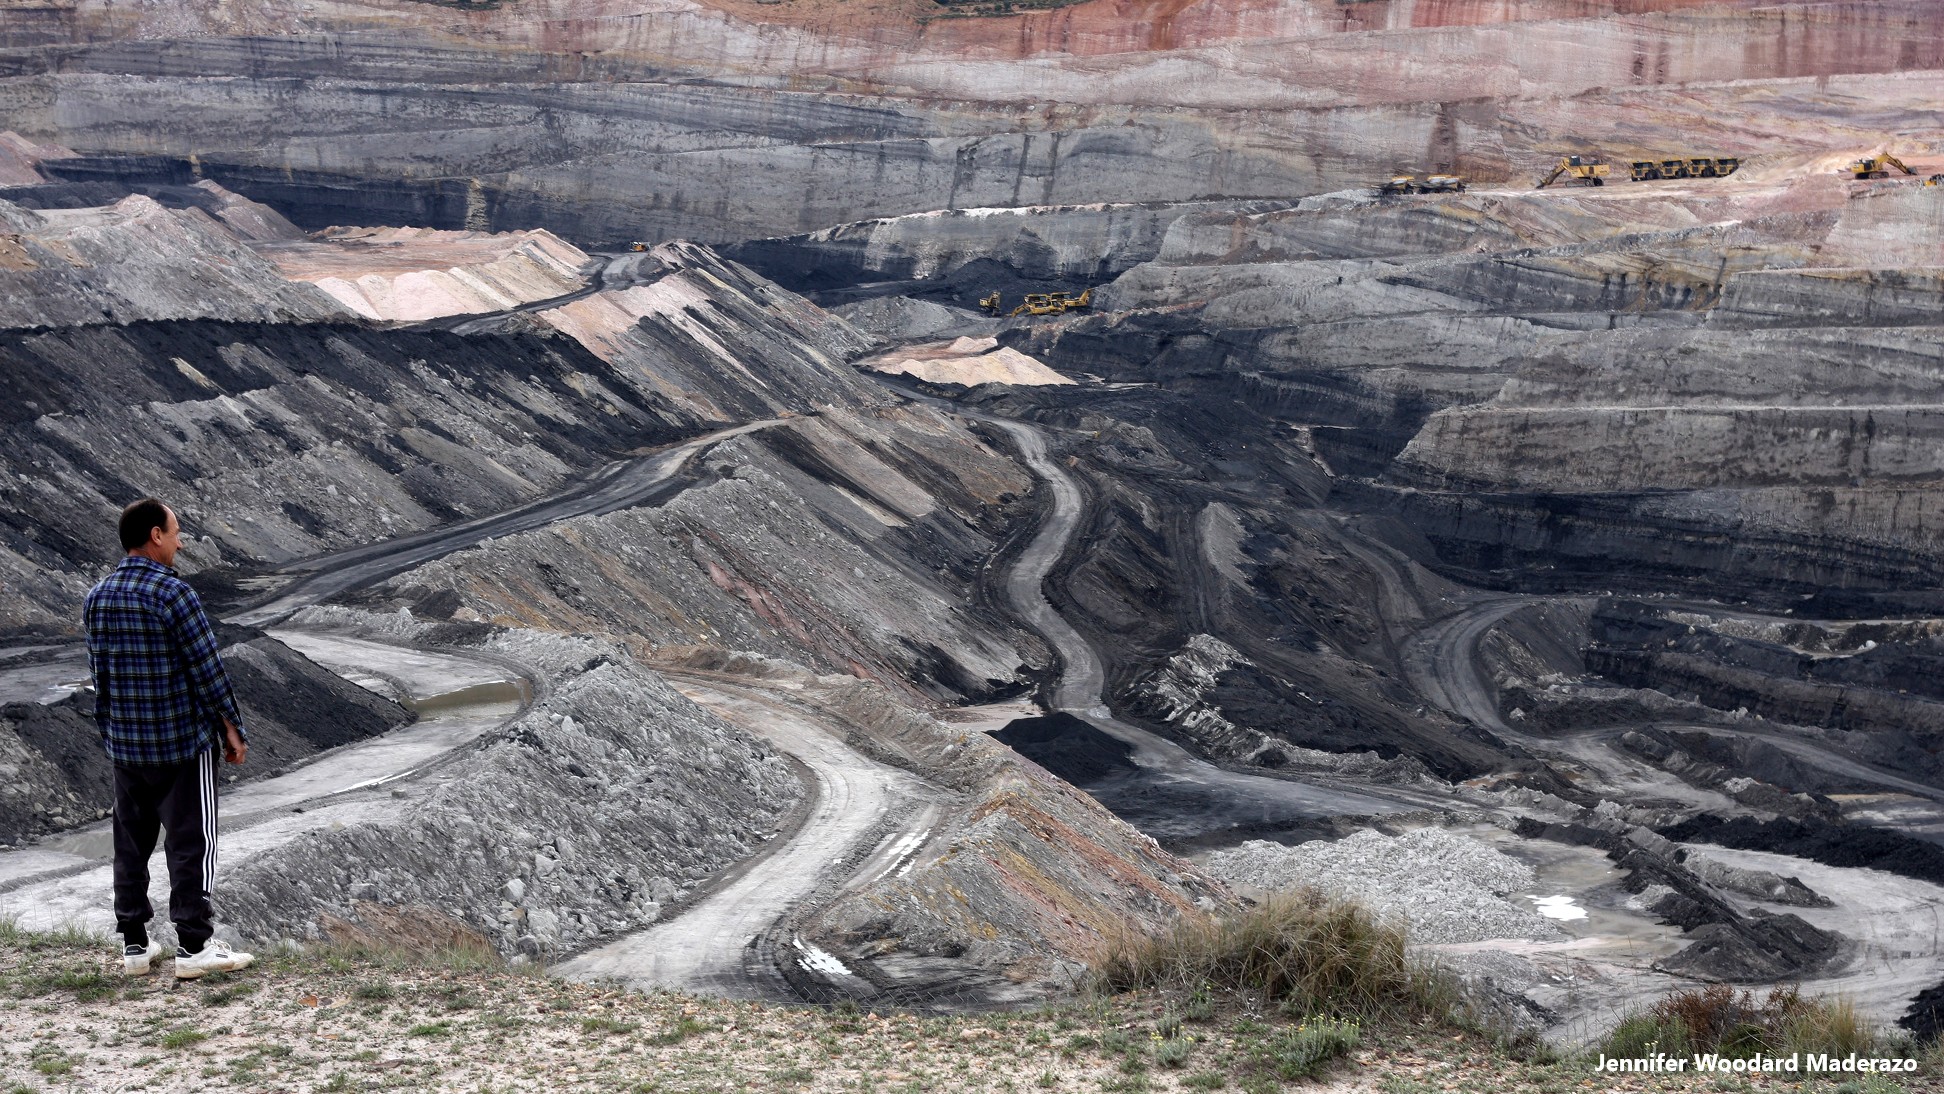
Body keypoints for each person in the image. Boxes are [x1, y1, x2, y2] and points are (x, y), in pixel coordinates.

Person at [83, 498, 255, 979]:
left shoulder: (98, 596)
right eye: (176, 532)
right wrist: (232, 729)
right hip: (180, 743)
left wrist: (110, 733)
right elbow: (207, 669)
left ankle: (135, 947)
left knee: (130, 844)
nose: (181, 542)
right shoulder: (174, 594)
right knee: (190, 843)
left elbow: (101, 675)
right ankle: (195, 948)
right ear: (155, 535)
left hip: (126, 745)